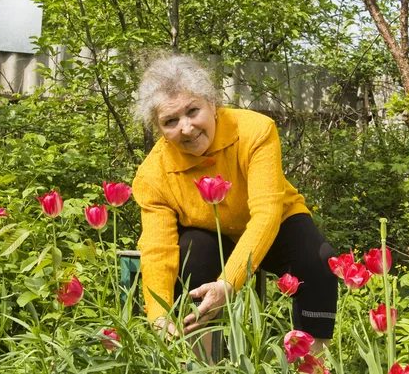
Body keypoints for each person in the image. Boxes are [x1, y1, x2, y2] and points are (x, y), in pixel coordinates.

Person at [132, 55, 337, 354]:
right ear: (158, 127)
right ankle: (202, 362)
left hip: (276, 223)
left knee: (317, 259)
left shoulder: (256, 130)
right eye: (171, 121)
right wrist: (158, 316)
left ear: (212, 104)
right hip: (209, 233)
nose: (186, 129)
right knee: (192, 254)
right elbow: (157, 249)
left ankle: (312, 363)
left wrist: (229, 282)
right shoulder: (153, 175)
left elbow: (266, 214)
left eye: (192, 111)